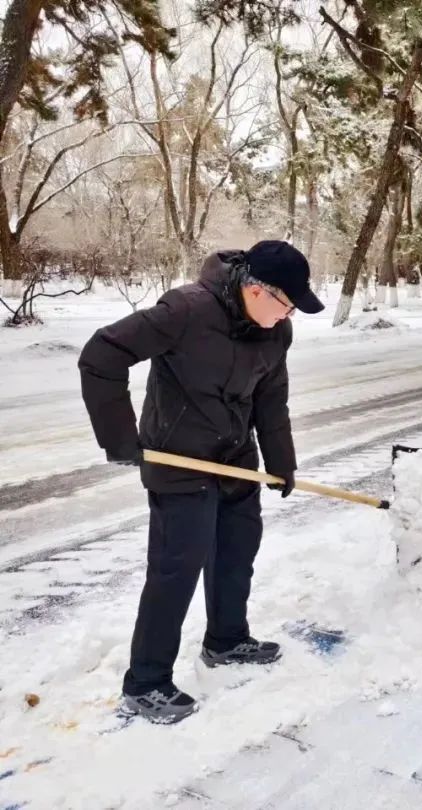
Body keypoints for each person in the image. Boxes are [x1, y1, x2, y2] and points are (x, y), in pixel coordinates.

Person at [78, 240, 324, 723]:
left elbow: (271, 401)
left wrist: (281, 461)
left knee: (237, 551)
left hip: (235, 458)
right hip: (178, 458)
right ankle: (146, 681)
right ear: (257, 290)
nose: (289, 314)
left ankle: (226, 641)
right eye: (286, 303)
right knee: (176, 568)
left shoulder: (277, 333)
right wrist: (121, 439)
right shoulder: (185, 309)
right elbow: (101, 354)